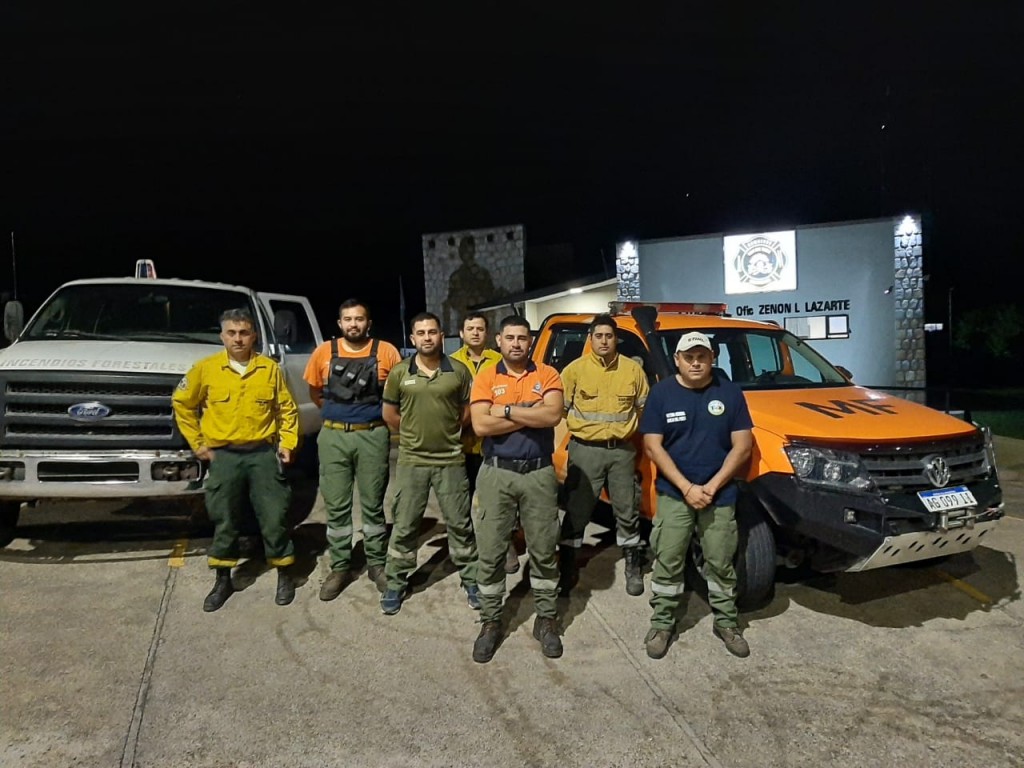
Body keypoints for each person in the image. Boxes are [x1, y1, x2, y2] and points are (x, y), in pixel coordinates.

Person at [172, 307, 300, 611]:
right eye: (232, 333)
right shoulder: (206, 369)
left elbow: (287, 410)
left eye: (244, 333)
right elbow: (182, 404)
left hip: (262, 454)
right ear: (222, 336)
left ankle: (285, 574)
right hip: (225, 456)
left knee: (275, 516)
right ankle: (222, 579)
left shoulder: (269, 369)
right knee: (224, 518)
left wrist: (288, 443)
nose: (238, 339)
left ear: (254, 335)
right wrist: (198, 444)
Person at [639, 331, 754, 659]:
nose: (695, 362)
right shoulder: (661, 394)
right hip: (675, 495)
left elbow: (742, 446)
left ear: (712, 358)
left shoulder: (730, 393)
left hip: (719, 495)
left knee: (720, 562)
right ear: (677, 359)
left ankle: (726, 622)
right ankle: (662, 623)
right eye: (689, 357)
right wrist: (687, 487)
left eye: (702, 356)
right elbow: (652, 446)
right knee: (668, 561)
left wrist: (712, 486)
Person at [468, 315, 564, 663]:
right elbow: (480, 425)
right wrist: (529, 411)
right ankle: (491, 621)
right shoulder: (486, 376)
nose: (516, 344)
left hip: (538, 473)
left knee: (543, 548)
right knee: (491, 552)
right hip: (497, 474)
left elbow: (552, 417)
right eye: (510, 338)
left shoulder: (548, 374)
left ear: (530, 341)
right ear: (499, 341)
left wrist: (505, 410)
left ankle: (547, 618)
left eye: (523, 338)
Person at [378, 312, 478, 614]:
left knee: (460, 524)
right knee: (405, 524)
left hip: (450, 459)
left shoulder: (458, 371)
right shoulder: (399, 373)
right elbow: (390, 414)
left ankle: (471, 579)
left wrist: (448, 433)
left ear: (441, 335)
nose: (426, 337)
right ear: (412, 339)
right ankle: (395, 582)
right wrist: (412, 435)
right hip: (412, 460)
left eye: (432, 332)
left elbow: (467, 410)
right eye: (420, 333)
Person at [302, 298, 402, 601]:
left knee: (373, 504)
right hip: (334, 437)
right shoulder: (323, 353)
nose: (353, 324)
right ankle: (341, 566)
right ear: (339, 324)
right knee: (337, 505)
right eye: (348, 319)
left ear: (368, 323)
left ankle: (376, 564)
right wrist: (339, 418)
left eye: (359, 319)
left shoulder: (386, 351)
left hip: (372, 436)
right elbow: (315, 392)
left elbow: (398, 393)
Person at [558, 314, 650, 597]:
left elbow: (643, 407)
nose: (604, 341)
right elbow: (561, 409)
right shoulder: (574, 370)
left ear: (615, 339)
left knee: (627, 509)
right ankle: (567, 565)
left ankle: (633, 566)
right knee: (577, 509)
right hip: (585, 450)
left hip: (621, 451)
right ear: (591, 338)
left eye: (609, 336)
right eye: (598, 336)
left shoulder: (633, 371)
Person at [450, 312, 520, 574]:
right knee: (465, 497)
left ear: (488, 334)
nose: (475, 333)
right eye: (470, 329)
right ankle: (474, 544)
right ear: (461, 333)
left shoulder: (501, 361)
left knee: (500, 498)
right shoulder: (451, 363)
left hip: (496, 442)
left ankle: (506, 543)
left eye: (480, 328)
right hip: (462, 445)